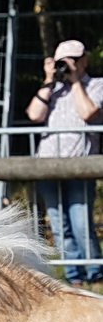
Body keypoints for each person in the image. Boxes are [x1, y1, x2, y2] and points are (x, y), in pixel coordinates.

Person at [27, 38, 103, 284]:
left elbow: (88, 113)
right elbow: (34, 115)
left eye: (72, 60)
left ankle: (95, 273)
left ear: (83, 61)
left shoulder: (96, 85)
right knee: (59, 224)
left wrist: (75, 82)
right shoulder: (52, 91)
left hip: (80, 166)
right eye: (62, 61)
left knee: (81, 221)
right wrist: (49, 81)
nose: (67, 66)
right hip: (48, 166)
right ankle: (73, 276)